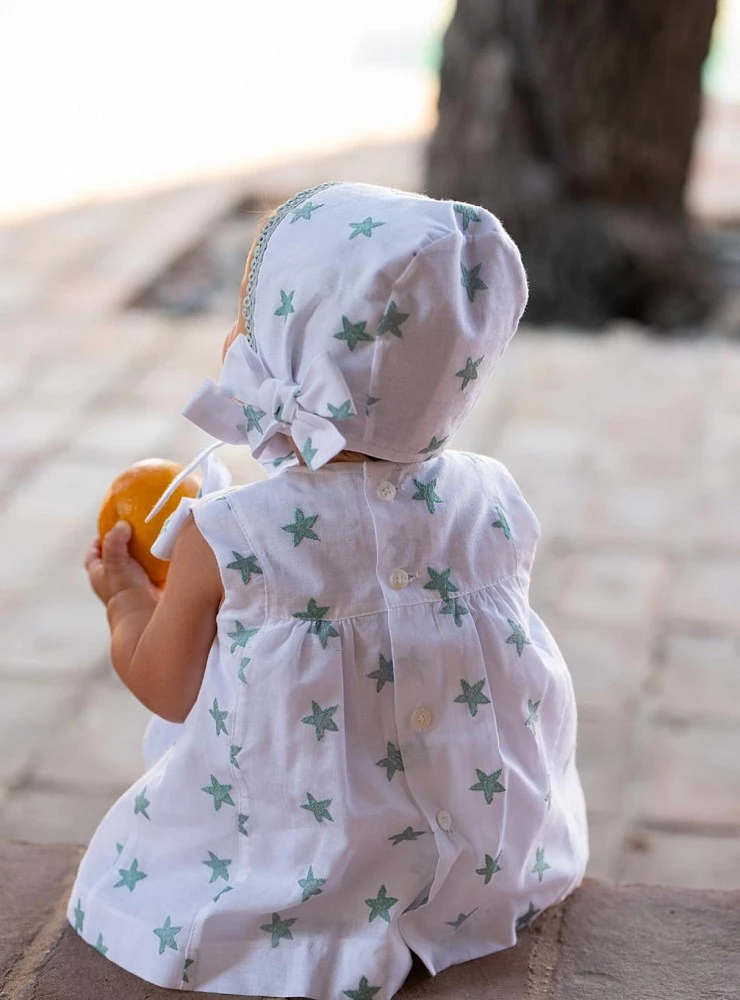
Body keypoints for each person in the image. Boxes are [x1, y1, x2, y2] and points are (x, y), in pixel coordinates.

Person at [72, 182, 588, 999]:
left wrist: (126, 597)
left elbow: (165, 687)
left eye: (256, 315)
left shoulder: (231, 533)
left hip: (298, 869)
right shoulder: (490, 500)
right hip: (478, 862)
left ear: (295, 356)